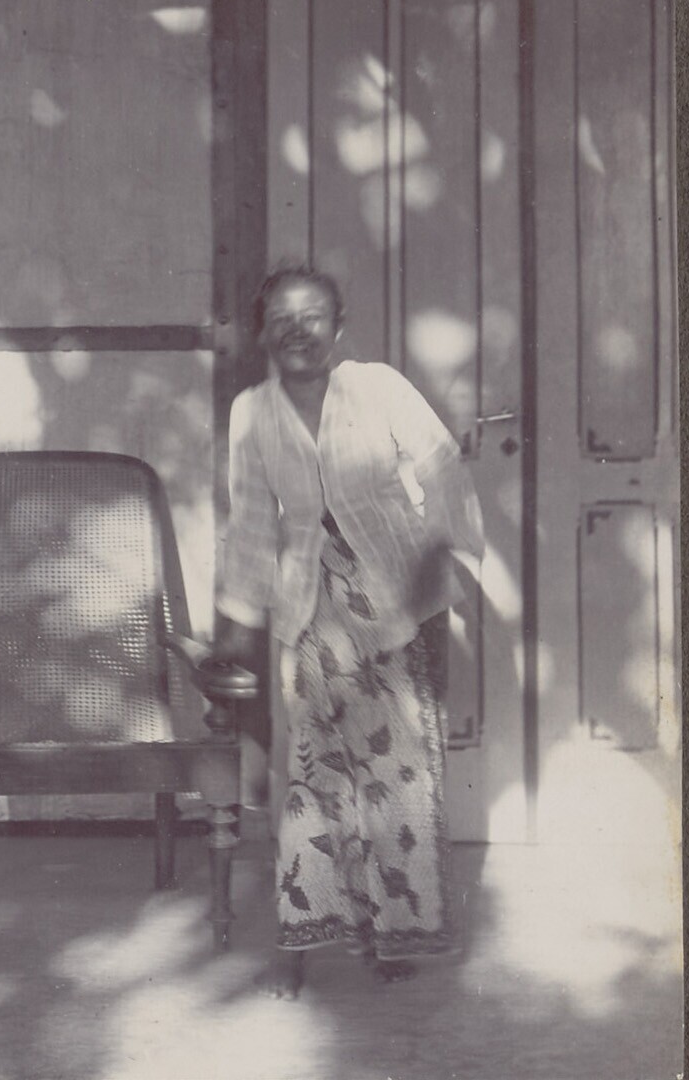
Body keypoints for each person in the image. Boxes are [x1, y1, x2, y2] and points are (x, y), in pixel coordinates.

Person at [214, 263, 484, 999]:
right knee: (313, 777)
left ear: (338, 326)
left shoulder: (379, 387)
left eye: (313, 316)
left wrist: (448, 560)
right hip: (309, 611)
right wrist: (237, 625)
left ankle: (391, 933)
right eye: (281, 319)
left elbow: (442, 467)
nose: (298, 330)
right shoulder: (252, 413)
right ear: (263, 333)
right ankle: (303, 936)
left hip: (398, 606)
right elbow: (250, 525)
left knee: (399, 777)